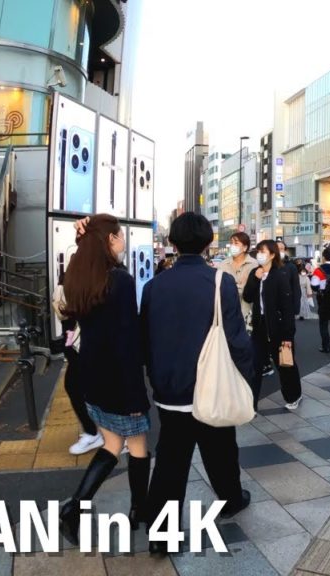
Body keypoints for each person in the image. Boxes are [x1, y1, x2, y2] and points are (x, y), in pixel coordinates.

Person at [140, 213, 253, 555]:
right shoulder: (220, 283)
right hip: (212, 387)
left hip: (170, 390)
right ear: (208, 244)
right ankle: (231, 499)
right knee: (221, 449)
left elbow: (145, 341)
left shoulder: (154, 286)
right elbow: (237, 340)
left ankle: (162, 538)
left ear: (172, 243)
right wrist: (247, 383)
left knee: (170, 462)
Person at [58, 214, 150, 542]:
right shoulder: (120, 281)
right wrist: (136, 395)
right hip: (118, 378)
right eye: (120, 235)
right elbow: (126, 341)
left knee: (112, 444)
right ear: (109, 239)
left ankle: (75, 508)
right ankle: (139, 509)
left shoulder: (78, 276)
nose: (124, 241)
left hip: (90, 374)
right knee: (137, 445)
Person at [244, 240, 302, 411]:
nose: (259, 254)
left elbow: (287, 308)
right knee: (254, 366)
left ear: (272, 254)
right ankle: (250, 404)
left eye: (263, 251)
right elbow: (247, 297)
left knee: (284, 364)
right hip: (259, 326)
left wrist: (288, 336)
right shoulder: (255, 272)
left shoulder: (280, 275)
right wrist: (255, 279)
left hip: (277, 326)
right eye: (258, 251)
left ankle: (294, 395)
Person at [52, 272, 102, 456]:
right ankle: (98, 431)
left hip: (84, 350)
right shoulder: (79, 284)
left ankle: (96, 432)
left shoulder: (81, 288)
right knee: (80, 388)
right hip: (77, 348)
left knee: (76, 387)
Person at [217, 232, 258, 330]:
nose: (232, 246)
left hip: (248, 313)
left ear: (245, 247)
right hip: (226, 313)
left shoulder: (254, 264)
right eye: (231, 243)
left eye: (236, 243)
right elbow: (219, 287)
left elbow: (252, 290)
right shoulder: (223, 264)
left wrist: (234, 286)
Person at [276, 239, 302, 314]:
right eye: (276, 249)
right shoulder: (267, 266)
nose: (279, 251)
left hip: (287, 307)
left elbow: (296, 288)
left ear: (285, 251)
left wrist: (296, 309)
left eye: (281, 249)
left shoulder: (291, 267)